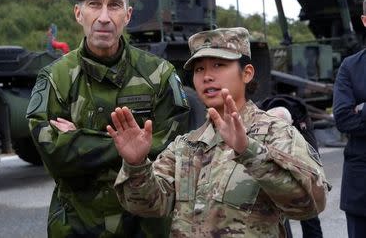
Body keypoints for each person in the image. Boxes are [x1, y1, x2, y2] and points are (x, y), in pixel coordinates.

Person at [108, 27, 330, 237]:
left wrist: (249, 152)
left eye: (219, 65)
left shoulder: (275, 133)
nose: (207, 76)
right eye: (199, 69)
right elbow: (149, 205)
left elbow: (309, 204)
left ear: (247, 73)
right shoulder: (186, 146)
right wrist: (136, 165)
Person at [26, 0, 190, 237]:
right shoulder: (55, 77)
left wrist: (78, 138)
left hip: (144, 227)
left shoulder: (158, 75)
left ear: (128, 15)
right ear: (79, 13)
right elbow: (55, 155)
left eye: (114, 6)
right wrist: (131, 151)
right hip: (77, 226)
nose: (104, 17)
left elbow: (172, 152)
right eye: (94, 5)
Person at [264, 101, 324, 238]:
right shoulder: (263, 125)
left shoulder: (302, 131)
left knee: (309, 211)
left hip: (301, 170)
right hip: (273, 171)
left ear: (291, 125)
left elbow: (314, 163)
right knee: (277, 212)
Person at [333, 0, 366, 238]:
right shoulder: (350, 67)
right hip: (361, 190)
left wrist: (363, 109)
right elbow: (344, 119)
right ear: (365, 21)